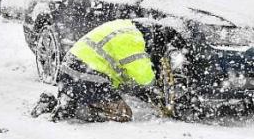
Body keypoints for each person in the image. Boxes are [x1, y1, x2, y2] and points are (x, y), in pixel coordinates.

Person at [31, 19, 159, 122]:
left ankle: (64, 101)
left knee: (83, 93)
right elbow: (144, 78)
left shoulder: (123, 26)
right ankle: (78, 109)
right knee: (124, 114)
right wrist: (156, 89)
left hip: (70, 70)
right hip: (88, 77)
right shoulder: (134, 40)